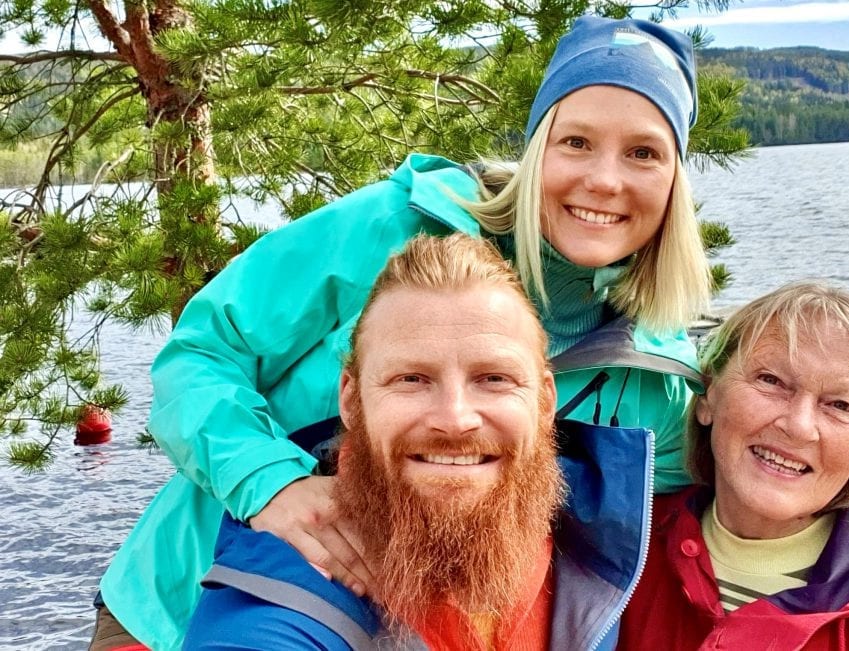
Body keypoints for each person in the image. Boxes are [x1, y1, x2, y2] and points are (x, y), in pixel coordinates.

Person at [89, 15, 849, 651]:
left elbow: (749, 470)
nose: (604, 179)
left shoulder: (655, 374)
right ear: (536, 145)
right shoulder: (389, 232)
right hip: (191, 596)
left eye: (643, 153)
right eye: (577, 140)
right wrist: (270, 484)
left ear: (674, 184)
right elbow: (197, 356)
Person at [182, 233, 655, 649]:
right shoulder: (286, 600)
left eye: (493, 378)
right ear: (352, 399)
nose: (455, 419)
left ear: (545, 401)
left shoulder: (611, 528)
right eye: (411, 379)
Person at [618, 282, 849, 650]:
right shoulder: (619, 552)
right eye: (771, 380)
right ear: (708, 396)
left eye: (841, 406)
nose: (798, 427)